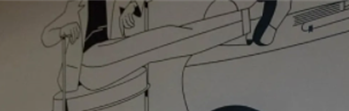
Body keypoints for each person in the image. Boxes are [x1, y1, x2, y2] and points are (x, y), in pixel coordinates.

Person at [42, 0, 292, 92]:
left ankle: (249, 24)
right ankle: (251, 19)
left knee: (169, 37)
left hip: (116, 53)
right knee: (166, 38)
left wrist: (132, 7)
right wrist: (63, 30)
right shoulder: (75, 5)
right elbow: (47, 36)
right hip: (89, 66)